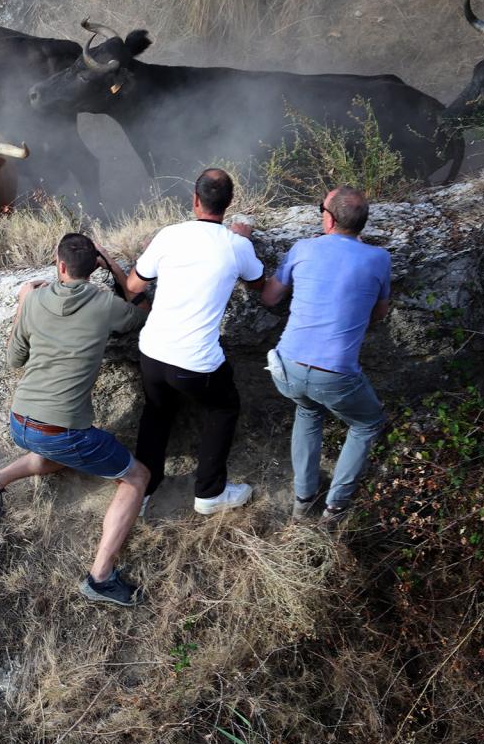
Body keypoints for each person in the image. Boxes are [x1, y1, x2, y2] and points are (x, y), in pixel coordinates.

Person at [0, 232, 154, 606]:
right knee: (137, 476)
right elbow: (140, 312)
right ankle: (101, 577)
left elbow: (13, 360)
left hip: (20, 420)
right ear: (94, 266)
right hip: (60, 430)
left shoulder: (35, 300)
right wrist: (115, 267)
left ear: (60, 265)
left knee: (60, 450)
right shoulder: (105, 305)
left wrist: (23, 303)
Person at [117, 168, 264, 517]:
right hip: (195, 365)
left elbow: (134, 287)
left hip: (152, 352)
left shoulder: (168, 235)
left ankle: (144, 490)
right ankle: (210, 491)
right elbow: (259, 286)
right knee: (223, 407)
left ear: (195, 201)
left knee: (156, 412)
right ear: (228, 205)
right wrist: (243, 239)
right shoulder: (237, 245)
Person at [257, 186, 392, 520]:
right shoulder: (379, 258)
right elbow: (378, 314)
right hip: (335, 375)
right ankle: (335, 505)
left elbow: (270, 298)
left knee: (307, 410)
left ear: (328, 219)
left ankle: (303, 499)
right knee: (367, 424)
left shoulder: (303, 248)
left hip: (286, 367)